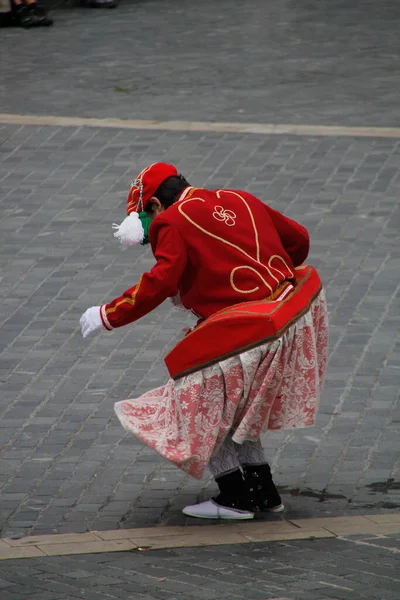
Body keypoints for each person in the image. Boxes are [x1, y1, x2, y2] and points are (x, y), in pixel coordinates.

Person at [80, 162, 329, 521]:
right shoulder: (238, 197)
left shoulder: (169, 221)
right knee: (233, 407)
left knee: (198, 401)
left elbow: (161, 282)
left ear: (152, 207)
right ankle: (263, 492)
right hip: (288, 315)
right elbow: (299, 240)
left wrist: (107, 315)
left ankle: (235, 496)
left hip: (248, 329)